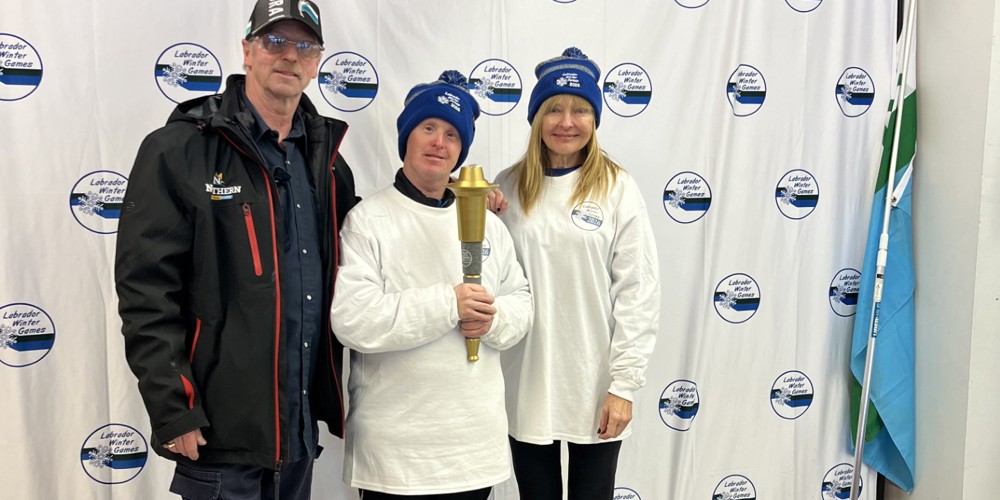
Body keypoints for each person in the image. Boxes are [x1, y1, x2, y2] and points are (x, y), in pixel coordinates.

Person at [115, 1, 359, 498]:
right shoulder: (179, 150)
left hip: (296, 436)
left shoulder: (329, 165)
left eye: (304, 45)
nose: (289, 56)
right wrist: (173, 407)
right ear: (247, 50)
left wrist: (464, 201)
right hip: (217, 439)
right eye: (274, 41)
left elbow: (380, 242)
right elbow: (146, 291)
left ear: (317, 63)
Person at [330, 70, 533, 500]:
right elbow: (353, 320)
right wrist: (449, 304)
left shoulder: (491, 228)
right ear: (407, 136)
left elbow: (520, 301)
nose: (439, 142)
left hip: (473, 451)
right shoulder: (369, 220)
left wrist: (490, 321)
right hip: (398, 459)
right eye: (428, 128)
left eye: (452, 135)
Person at [494, 47, 661, 500]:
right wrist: (479, 214)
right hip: (526, 381)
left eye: (581, 109)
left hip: (594, 383)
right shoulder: (506, 188)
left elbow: (638, 292)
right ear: (536, 118)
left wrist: (623, 385)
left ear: (595, 119)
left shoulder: (617, 187)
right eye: (554, 109)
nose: (567, 121)